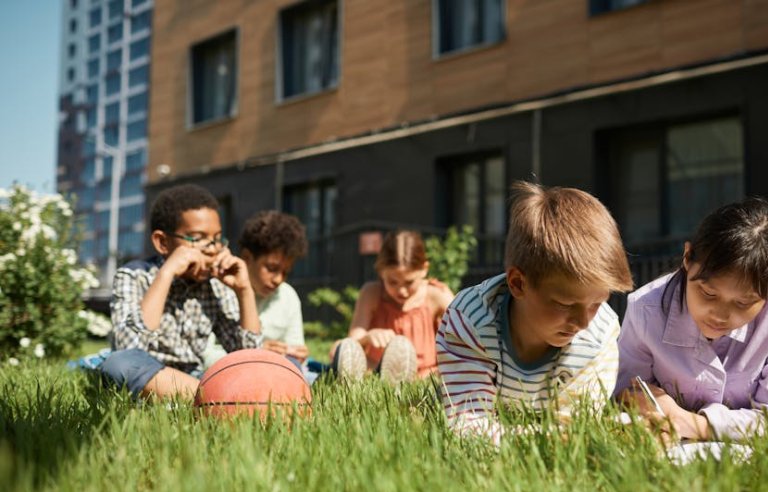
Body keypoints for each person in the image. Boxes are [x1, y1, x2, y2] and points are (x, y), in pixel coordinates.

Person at [615, 198, 768, 442]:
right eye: (708, 293)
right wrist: (657, 406)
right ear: (687, 257)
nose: (719, 315)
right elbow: (627, 390)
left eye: (743, 302)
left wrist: (693, 425)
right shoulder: (646, 308)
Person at [437, 181, 634, 444]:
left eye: (597, 303)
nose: (583, 322)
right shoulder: (470, 321)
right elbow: (467, 427)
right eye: (565, 304)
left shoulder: (598, 336)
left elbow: (572, 433)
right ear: (518, 283)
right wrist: (550, 437)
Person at [99, 184, 262, 400]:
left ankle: (205, 398)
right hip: (148, 378)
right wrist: (166, 274)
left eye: (217, 239)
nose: (212, 249)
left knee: (280, 366)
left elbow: (249, 357)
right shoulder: (133, 276)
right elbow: (129, 348)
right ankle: (217, 400)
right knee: (118, 364)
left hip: (193, 377)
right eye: (198, 238)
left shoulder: (216, 284)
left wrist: (244, 290)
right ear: (162, 242)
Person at [333, 230, 455, 383]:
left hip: (425, 374)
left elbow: (467, 332)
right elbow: (353, 342)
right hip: (376, 370)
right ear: (381, 272)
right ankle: (364, 379)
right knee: (340, 347)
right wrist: (368, 337)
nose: (402, 291)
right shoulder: (371, 293)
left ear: (424, 269)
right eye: (392, 282)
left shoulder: (436, 295)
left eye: (409, 282)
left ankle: (403, 378)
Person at [202, 210, 310, 376]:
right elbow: (204, 354)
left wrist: (296, 354)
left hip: (278, 370)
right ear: (246, 258)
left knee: (311, 372)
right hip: (229, 372)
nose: (278, 279)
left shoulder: (287, 296)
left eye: (285, 272)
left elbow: (295, 349)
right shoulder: (217, 291)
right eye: (271, 269)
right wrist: (256, 355)